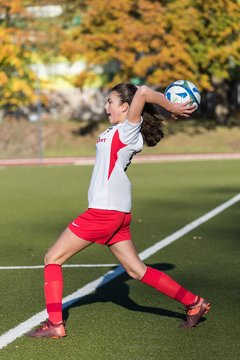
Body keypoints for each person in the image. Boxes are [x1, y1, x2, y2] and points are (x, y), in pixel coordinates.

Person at [28, 83, 211, 338]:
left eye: (110, 102)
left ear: (126, 107)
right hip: (116, 212)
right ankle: (194, 302)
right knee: (137, 271)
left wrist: (170, 106)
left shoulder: (128, 130)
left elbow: (144, 91)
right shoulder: (117, 130)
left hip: (104, 212)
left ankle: (55, 324)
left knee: (52, 258)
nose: (106, 107)